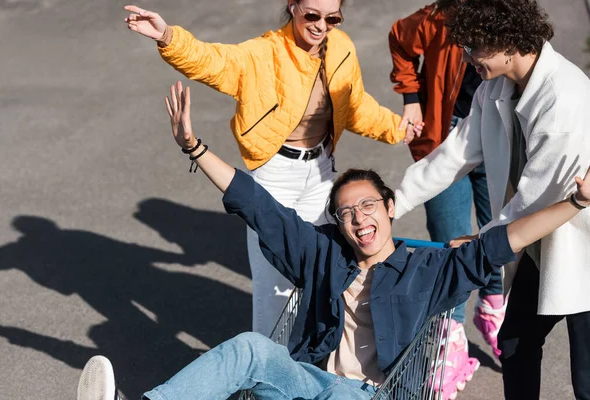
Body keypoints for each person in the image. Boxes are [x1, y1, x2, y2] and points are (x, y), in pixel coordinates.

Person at [76, 82, 590, 400]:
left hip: (368, 395)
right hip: (305, 381)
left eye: (368, 205)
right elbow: (258, 205)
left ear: (390, 209)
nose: (358, 218)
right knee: (252, 349)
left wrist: (577, 204)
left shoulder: (428, 271)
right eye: (345, 212)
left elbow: (506, 240)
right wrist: (194, 145)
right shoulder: (323, 255)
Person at [123, 1, 420, 336]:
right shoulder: (263, 54)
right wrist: (167, 36)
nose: (322, 26)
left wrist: (397, 128)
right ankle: (265, 379)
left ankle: (320, 362)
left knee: (331, 271)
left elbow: (355, 105)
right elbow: (212, 61)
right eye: (312, 15)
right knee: (274, 289)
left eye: (332, 18)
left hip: (322, 173)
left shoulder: (341, 48)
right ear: (292, 7)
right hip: (275, 175)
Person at [392, 0, 590, 398]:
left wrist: (481, 242)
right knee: (516, 343)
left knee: (586, 377)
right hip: (544, 240)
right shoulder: (495, 87)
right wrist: (394, 202)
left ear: (507, 41)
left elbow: (538, 196)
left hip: (580, 242)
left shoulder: (564, 97)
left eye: (472, 47)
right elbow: (456, 153)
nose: (465, 58)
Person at [388, 1, 502, 397]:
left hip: (500, 137)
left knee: (498, 237)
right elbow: (400, 39)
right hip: (447, 135)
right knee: (451, 244)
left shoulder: (512, 16)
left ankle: (493, 312)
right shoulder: (442, 14)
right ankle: (448, 340)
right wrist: (410, 95)